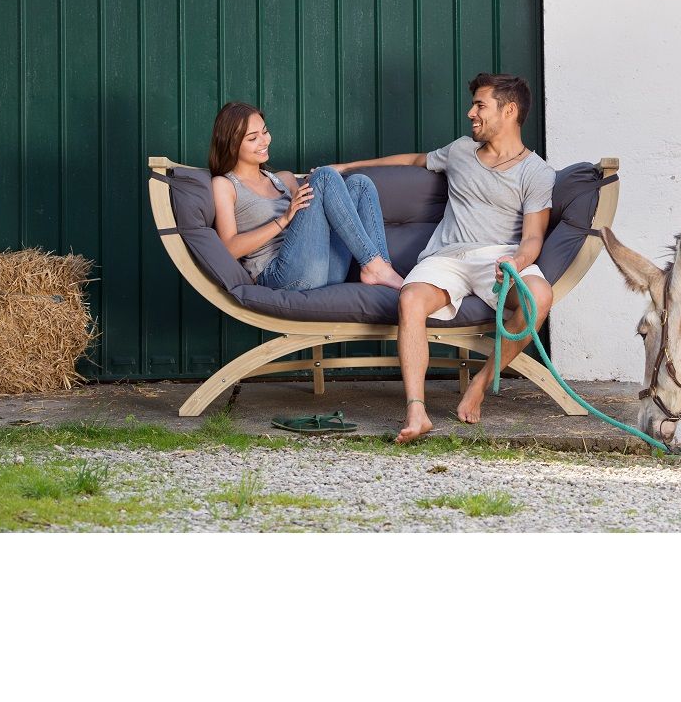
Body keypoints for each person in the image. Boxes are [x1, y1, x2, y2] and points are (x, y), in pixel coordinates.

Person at [335, 73, 555, 441]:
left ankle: (481, 384)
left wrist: (516, 263)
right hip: (447, 256)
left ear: (510, 110)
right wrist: (348, 168)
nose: (471, 113)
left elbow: (533, 236)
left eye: (480, 105)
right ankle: (416, 410)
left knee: (540, 297)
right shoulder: (459, 151)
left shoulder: (537, 172)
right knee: (410, 298)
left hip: (499, 259)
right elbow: (413, 159)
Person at [209, 101, 405, 293]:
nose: (264, 141)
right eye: (253, 138)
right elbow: (229, 248)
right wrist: (284, 218)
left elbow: (310, 225)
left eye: (265, 131)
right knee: (325, 176)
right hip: (280, 275)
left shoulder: (284, 178)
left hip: (324, 269)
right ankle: (374, 265)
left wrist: (321, 191)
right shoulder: (225, 185)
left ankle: (381, 266)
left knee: (360, 184)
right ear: (232, 145)